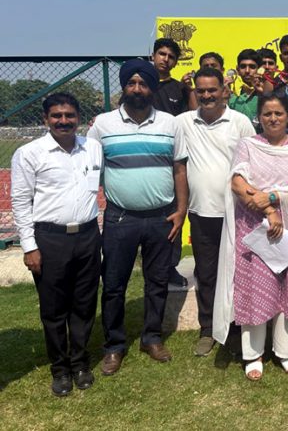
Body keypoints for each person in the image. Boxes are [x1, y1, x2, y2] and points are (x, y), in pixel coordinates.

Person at [88, 59, 188, 376]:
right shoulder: (102, 125)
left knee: (156, 282)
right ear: (124, 86)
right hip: (121, 218)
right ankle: (115, 346)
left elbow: (179, 169)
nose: (137, 89)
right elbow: (89, 168)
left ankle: (152, 337)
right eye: (131, 83)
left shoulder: (171, 124)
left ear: (151, 87)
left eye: (143, 83)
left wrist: (181, 209)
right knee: (114, 284)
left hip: (162, 217)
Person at [212, 94, 288, 381]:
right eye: (268, 114)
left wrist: (271, 196)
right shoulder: (248, 145)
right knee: (255, 287)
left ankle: (286, 351)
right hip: (254, 228)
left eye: (279, 114)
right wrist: (270, 209)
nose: (273, 119)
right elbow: (237, 181)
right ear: (259, 117)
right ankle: (253, 354)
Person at [11, 93, 102, 397]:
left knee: (85, 304)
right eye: (56, 116)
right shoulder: (29, 153)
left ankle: (80, 363)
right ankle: (60, 369)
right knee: (53, 309)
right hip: (49, 238)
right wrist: (29, 246)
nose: (63, 121)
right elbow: (21, 202)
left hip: (88, 235)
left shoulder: (93, 148)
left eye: (69, 115)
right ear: (45, 119)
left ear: (78, 117)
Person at [177, 67, 255, 357]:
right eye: (202, 90)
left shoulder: (241, 122)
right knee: (206, 273)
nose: (207, 95)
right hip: (202, 213)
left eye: (212, 90)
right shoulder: (184, 122)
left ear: (224, 90)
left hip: (238, 213)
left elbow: (253, 162)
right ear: (195, 92)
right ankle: (208, 329)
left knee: (238, 272)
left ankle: (237, 326)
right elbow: (179, 165)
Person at [150, 38, 195, 289]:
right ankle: (153, 265)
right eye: (161, 54)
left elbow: (191, 117)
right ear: (153, 56)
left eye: (170, 56)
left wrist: (189, 91)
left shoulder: (179, 89)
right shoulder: (140, 86)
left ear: (176, 61)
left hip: (174, 161)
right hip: (148, 159)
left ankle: (170, 267)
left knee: (176, 212)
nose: (165, 59)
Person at [228, 49, 265, 128]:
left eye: (252, 67)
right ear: (237, 69)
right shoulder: (232, 95)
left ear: (259, 69)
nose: (247, 71)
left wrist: (263, 94)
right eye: (243, 66)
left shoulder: (269, 92)